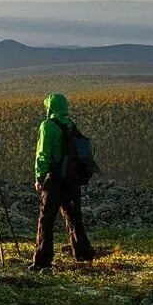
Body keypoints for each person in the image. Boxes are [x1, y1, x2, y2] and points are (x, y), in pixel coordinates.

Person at [30, 93, 95, 270]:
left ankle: (42, 261)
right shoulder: (70, 124)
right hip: (72, 179)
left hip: (55, 179)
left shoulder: (48, 126)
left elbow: (43, 154)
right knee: (73, 217)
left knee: (46, 219)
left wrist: (39, 177)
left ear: (50, 107)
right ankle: (83, 254)